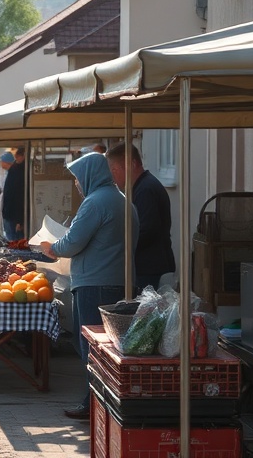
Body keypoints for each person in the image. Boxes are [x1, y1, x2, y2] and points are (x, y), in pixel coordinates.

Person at [40, 152, 138, 421]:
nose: (76, 184)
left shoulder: (95, 202)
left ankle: (93, 402)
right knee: (111, 347)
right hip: (120, 281)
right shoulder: (123, 200)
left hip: (95, 283)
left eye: (77, 178)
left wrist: (53, 248)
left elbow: (73, 242)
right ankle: (104, 400)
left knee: (92, 346)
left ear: (89, 176)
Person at [106, 142, 175, 291]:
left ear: (131, 164)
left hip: (150, 268)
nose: (113, 176)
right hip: (148, 266)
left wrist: (118, 246)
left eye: (114, 170)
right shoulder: (141, 187)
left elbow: (146, 230)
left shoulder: (146, 189)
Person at [1, 147, 27, 241]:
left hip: (12, 215)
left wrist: (19, 220)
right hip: (12, 214)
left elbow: (17, 196)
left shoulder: (16, 172)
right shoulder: (16, 171)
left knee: (14, 241)